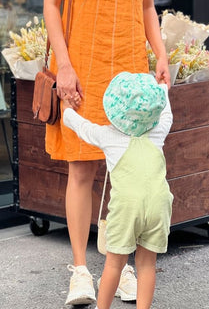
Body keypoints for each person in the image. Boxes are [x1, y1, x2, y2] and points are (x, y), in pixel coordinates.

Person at [43, 0, 171, 306]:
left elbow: (146, 8)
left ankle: (122, 264)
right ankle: (80, 269)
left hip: (130, 69)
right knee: (82, 169)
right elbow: (51, 6)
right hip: (83, 66)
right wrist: (65, 68)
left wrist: (159, 54)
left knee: (127, 169)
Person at [62, 72, 173, 309]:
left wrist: (66, 110)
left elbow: (82, 127)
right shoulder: (159, 130)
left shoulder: (109, 136)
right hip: (158, 205)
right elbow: (166, 110)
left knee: (114, 264)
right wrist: (163, 86)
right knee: (147, 265)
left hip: (126, 208)